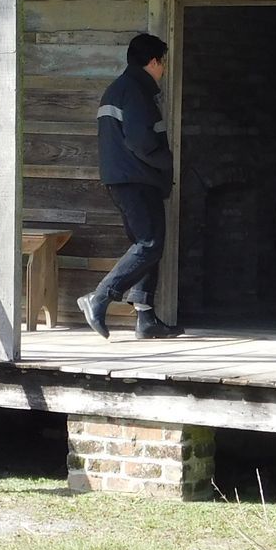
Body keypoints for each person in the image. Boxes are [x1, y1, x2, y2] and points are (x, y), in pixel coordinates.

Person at [79, 32, 184, 340]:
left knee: (147, 245)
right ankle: (99, 297)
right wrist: (166, 160)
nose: (164, 69)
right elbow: (141, 141)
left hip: (123, 179)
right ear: (153, 61)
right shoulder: (135, 92)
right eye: (162, 62)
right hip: (137, 180)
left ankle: (146, 319)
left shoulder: (118, 89)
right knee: (149, 244)